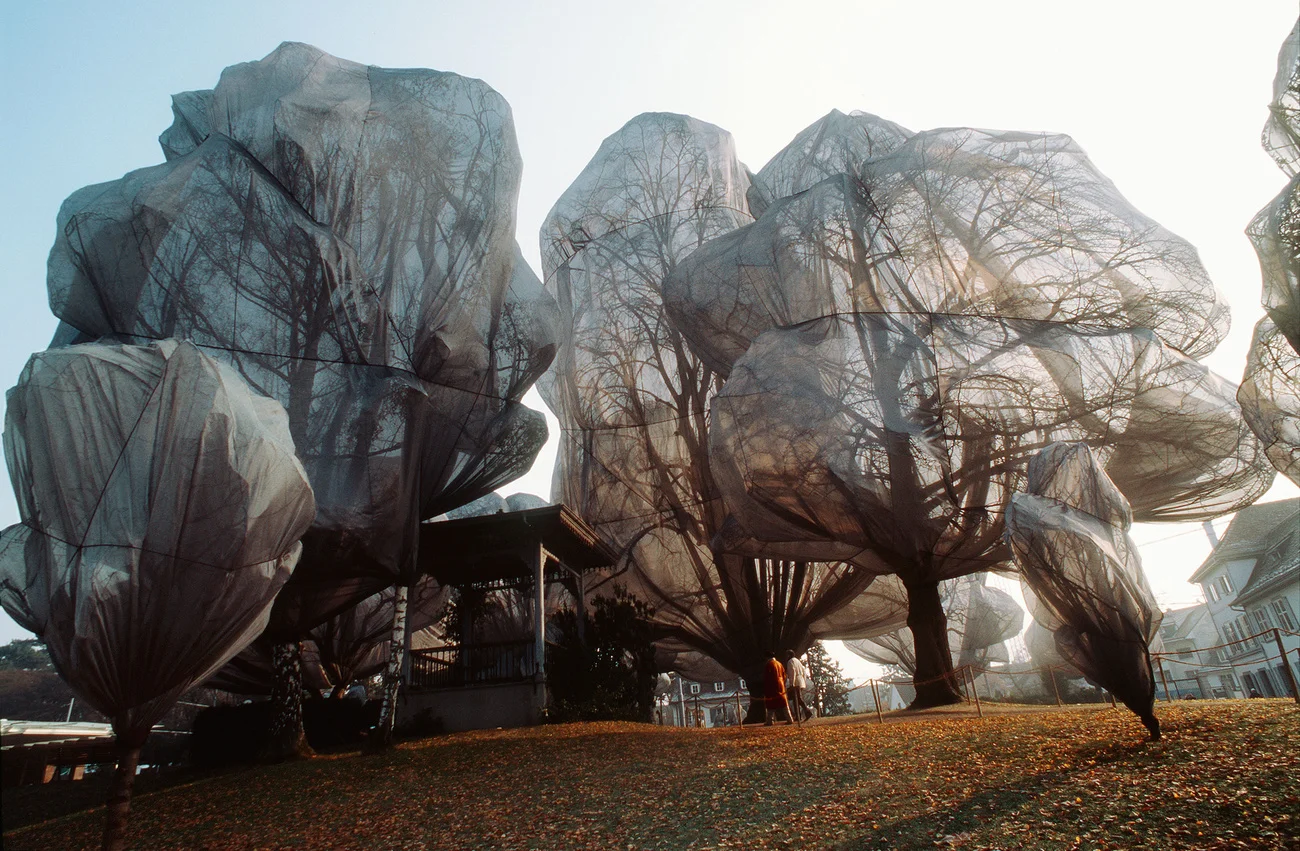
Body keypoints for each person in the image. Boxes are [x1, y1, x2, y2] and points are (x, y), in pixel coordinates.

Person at [762, 652, 794, 726]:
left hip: (772, 687)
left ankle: (770, 720)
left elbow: (767, 677)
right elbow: (784, 675)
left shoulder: (769, 664)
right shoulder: (779, 664)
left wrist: (765, 688)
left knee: (770, 704)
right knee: (784, 704)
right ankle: (790, 719)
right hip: (781, 686)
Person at [784, 651, 813, 721]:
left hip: (796, 682)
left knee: (798, 699)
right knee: (796, 700)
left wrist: (791, 683)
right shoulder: (797, 661)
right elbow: (804, 671)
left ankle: (807, 711)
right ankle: (799, 715)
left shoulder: (790, 662)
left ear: (789, 655)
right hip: (800, 681)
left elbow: (792, 672)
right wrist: (804, 680)